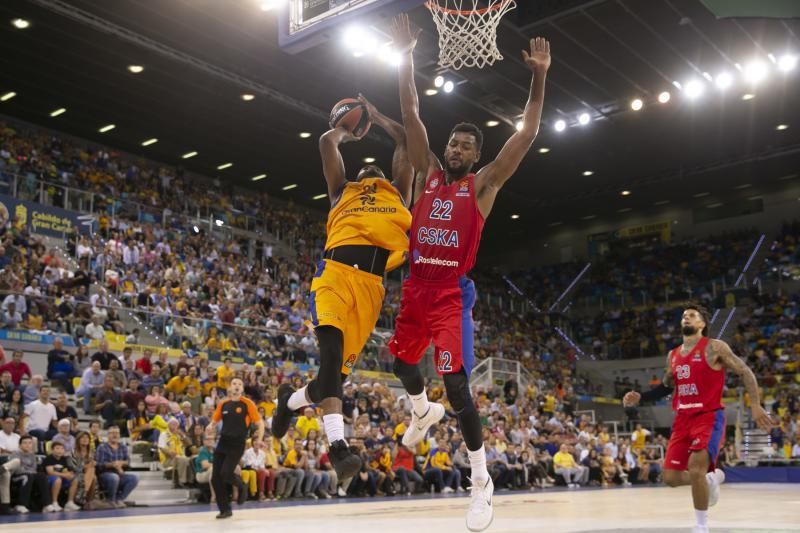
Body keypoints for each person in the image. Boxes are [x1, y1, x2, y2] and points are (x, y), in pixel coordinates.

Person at [387, 13, 551, 531]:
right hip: (415, 287)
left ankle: (480, 481)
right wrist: (407, 54)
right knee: (400, 368)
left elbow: (526, 133)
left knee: (456, 385)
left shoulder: (481, 186)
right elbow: (410, 110)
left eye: (464, 146)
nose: (455, 149)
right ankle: (420, 410)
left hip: (450, 295)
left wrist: (539, 76)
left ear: (477, 156)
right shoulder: (427, 175)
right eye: (452, 143)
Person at [271, 95, 414, 482]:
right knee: (330, 356)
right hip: (334, 274)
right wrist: (346, 128)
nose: (370, 168)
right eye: (364, 167)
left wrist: (378, 115)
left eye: (375, 167)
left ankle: (292, 401)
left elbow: (405, 143)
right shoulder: (342, 191)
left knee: (333, 379)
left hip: (371, 288)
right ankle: (338, 446)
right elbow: (325, 143)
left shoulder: (398, 192)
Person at [623, 303, 774, 533]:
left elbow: (745, 371)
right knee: (670, 477)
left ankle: (701, 526)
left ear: (702, 323)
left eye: (691, 316)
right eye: (684, 315)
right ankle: (711, 479)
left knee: (695, 469)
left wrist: (754, 405)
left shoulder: (715, 348)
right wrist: (640, 397)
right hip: (683, 419)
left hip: (708, 416)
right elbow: (666, 387)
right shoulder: (672, 355)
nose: (686, 318)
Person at [211, 377, 264, 519]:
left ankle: (242, 486)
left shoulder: (247, 404)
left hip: (237, 444)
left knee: (226, 473)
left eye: (239, 384)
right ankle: (225, 510)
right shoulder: (223, 404)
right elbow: (214, 421)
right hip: (223, 443)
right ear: (230, 387)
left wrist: (258, 439)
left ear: (242, 389)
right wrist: (210, 427)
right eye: (234, 383)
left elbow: (260, 423)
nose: (236, 386)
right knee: (215, 478)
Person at [95, 425, 139, 508]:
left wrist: (120, 463)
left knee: (135, 478)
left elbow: (128, 462)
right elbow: (99, 464)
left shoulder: (123, 446)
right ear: (108, 435)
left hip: (119, 473)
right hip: (105, 475)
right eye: (112, 433)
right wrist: (112, 465)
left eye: (117, 433)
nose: (115, 435)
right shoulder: (102, 447)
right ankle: (111, 500)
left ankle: (119, 499)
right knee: (114, 477)